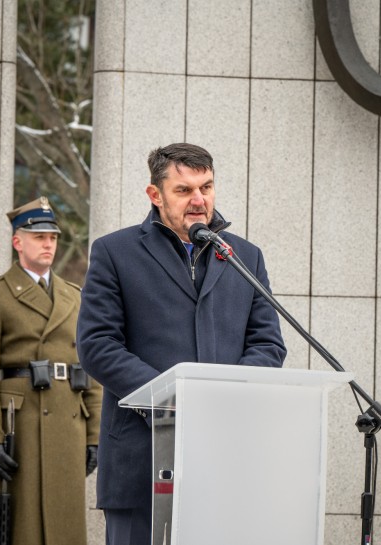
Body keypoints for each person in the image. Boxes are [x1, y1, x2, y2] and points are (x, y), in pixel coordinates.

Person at [77, 142, 287, 545]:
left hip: (221, 461)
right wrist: (171, 398)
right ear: (154, 195)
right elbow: (97, 344)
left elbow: (267, 343)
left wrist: (220, 397)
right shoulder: (115, 253)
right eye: (184, 190)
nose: (198, 200)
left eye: (206, 188)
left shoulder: (244, 256)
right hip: (141, 461)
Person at [0, 196, 102, 545]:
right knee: (18, 527)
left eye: (53, 237)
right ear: (17, 241)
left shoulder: (74, 296)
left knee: (63, 527)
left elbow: (91, 368)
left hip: (68, 423)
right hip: (18, 426)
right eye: (39, 237)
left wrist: (96, 433)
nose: (48, 244)